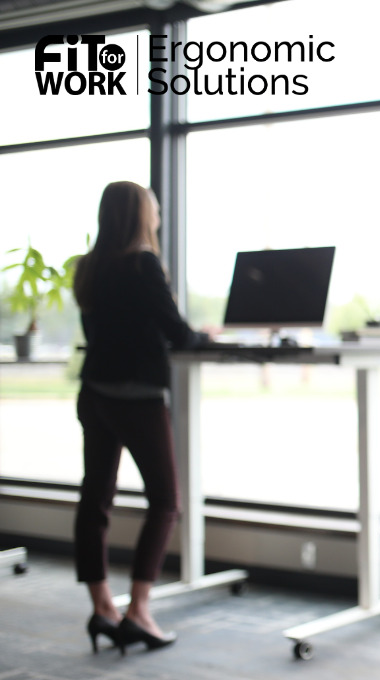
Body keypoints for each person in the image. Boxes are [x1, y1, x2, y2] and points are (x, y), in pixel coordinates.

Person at [72, 181, 208, 655]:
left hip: (95, 396)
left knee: (95, 501)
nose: (158, 216)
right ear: (139, 216)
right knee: (166, 501)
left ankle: (103, 606)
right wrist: (207, 335)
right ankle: (140, 611)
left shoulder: (88, 268)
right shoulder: (143, 264)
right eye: (153, 209)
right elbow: (177, 332)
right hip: (137, 399)